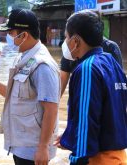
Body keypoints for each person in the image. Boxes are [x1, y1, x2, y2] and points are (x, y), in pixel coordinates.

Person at [0, 9, 60, 165]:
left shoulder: (42, 65)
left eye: (11, 33)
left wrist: (43, 147)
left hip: (34, 149)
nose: (8, 37)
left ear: (24, 35)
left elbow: (51, 108)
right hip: (21, 145)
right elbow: (14, 94)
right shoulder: (24, 58)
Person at [54, 10, 127, 164]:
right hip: (118, 155)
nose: (65, 42)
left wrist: (78, 158)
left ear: (76, 41)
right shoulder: (111, 62)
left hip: (98, 159)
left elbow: (88, 119)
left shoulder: (87, 69)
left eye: (66, 37)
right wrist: (70, 137)